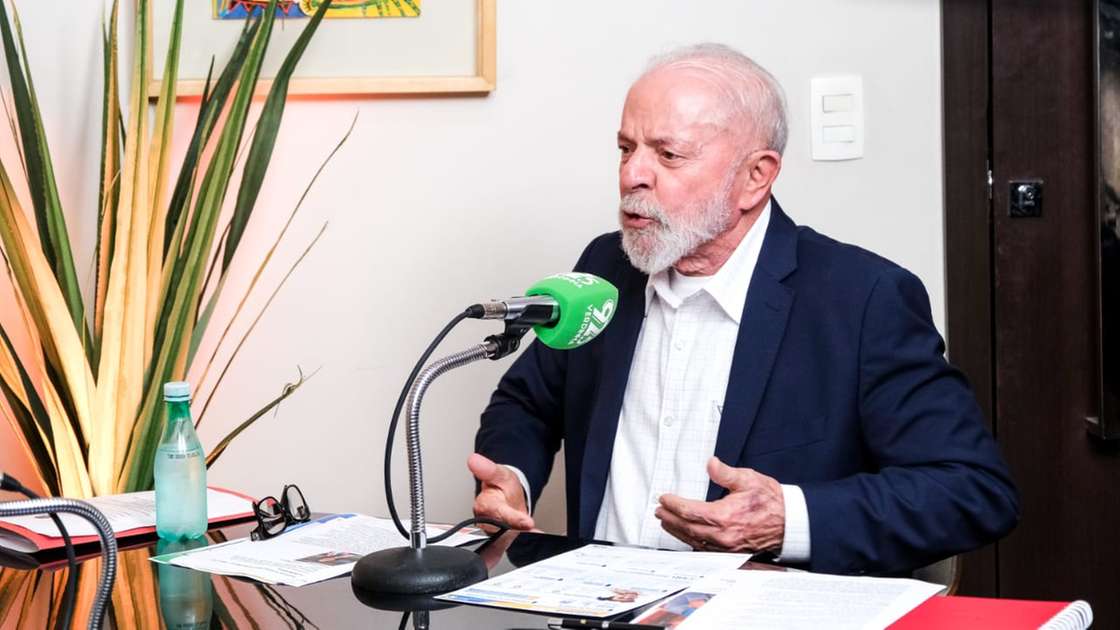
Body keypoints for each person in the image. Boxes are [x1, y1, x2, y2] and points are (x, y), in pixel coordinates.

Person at [469, 43, 1019, 575]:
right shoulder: (604, 270)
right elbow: (528, 403)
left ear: (755, 176)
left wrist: (787, 520)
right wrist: (512, 478)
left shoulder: (863, 299)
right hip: (597, 607)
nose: (632, 174)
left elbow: (972, 490)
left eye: (667, 154)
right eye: (626, 148)